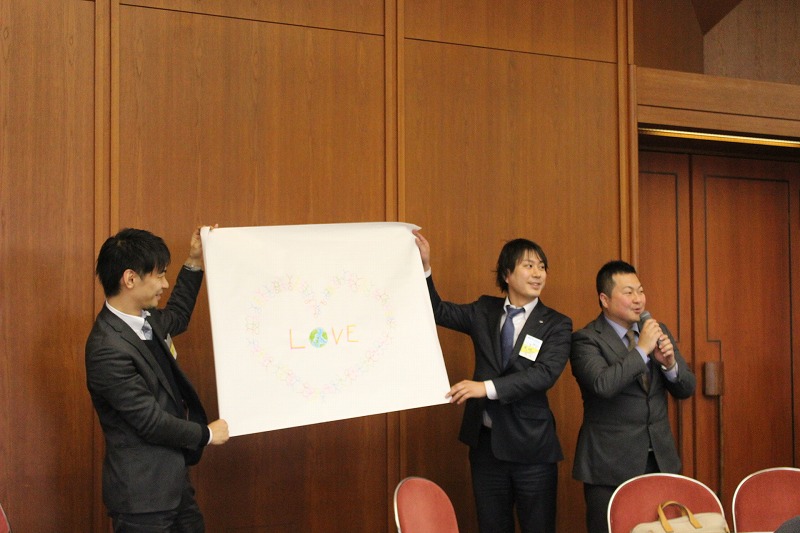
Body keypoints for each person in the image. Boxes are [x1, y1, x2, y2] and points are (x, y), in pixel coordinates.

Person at [414, 230, 572, 533]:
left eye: (542, 267)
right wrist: (424, 268)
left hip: (532, 449)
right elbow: (437, 310)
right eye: (528, 266)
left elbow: (544, 374)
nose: (538, 274)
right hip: (486, 448)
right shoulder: (484, 310)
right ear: (507, 274)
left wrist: (484, 388)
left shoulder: (556, 323)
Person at [86, 227, 229, 533]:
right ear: (130, 279)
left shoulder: (146, 320)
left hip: (174, 486)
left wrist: (194, 261)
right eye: (160, 275)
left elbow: (178, 313)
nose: (165, 283)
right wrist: (206, 434)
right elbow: (150, 421)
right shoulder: (107, 348)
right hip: (142, 498)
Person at [570, 260, 696, 533]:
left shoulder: (657, 331)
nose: (638, 299)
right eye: (628, 292)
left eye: (640, 291)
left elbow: (686, 388)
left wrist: (670, 365)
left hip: (659, 460)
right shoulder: (586, 339)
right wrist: (641, 351)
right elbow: (603, 385)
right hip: (609, 466)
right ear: (604, 299)